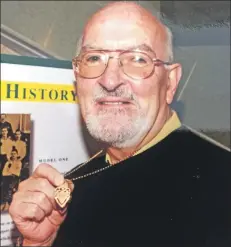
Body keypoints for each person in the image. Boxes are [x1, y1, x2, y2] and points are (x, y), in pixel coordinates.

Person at [9, 2, 230, 247]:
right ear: (77, 77)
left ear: (170, 82)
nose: (110, 80)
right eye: (94, 57)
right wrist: (39, 243)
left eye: (137, 58)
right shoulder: (69, 190)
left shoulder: (221, 187)